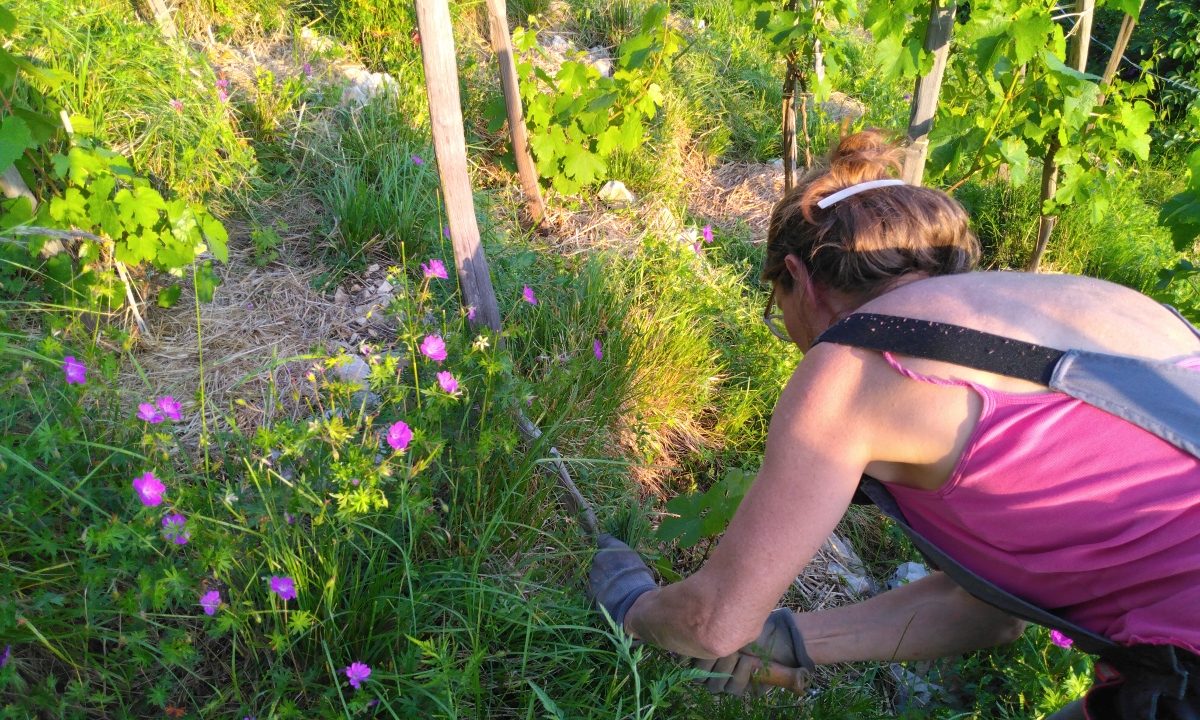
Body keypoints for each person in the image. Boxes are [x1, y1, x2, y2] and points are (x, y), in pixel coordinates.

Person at [588, 130, 1200, 718]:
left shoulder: (859, 364)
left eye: (779, 308)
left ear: (800, 280)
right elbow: (987, 611)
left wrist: (634, 607)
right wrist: (783, 638)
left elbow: (713, 621)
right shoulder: (1101, 305)